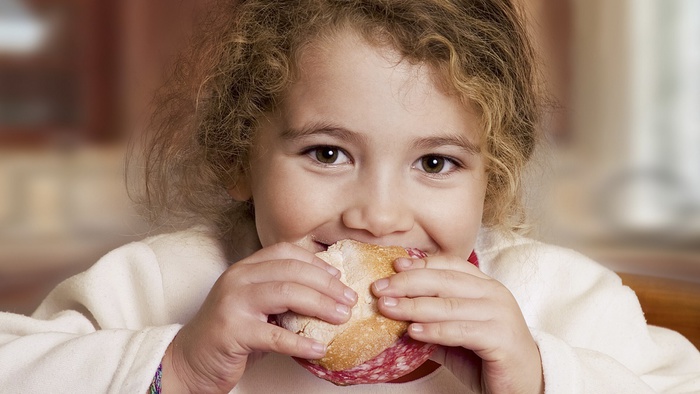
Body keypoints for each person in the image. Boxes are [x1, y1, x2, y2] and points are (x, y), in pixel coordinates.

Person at [1, 0, 699, 392]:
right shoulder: (165, 282)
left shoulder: (553, 297)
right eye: (327, 153)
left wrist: (542, 374)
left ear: (493, 177)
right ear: (240, 156)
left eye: (435, 161)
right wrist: (175, 365)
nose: (379, 215)